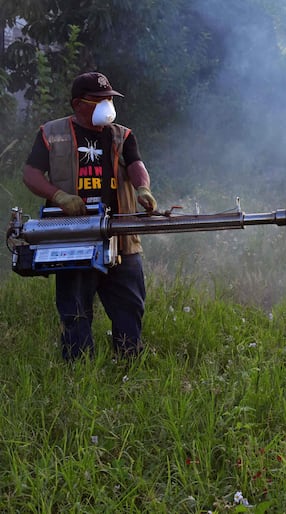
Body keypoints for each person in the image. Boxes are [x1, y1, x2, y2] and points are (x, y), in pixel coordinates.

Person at [22, 71, 158, 361]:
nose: (107, 104)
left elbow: (136, 164)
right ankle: (79, 369)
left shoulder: (122, 135)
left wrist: (143, 189)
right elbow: (30, 174)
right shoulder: (51, 134)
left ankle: (129, 361)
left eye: (109, 98)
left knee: (129, 304)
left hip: (120, 236)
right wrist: (58, 197)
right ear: (78, 104)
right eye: (98, 100)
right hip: (73, 235)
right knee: (75, 309)